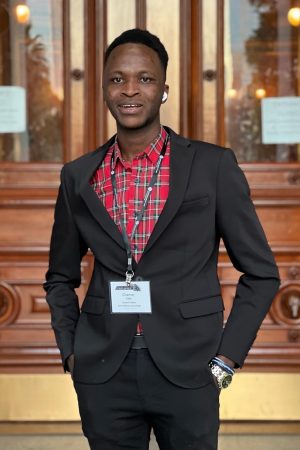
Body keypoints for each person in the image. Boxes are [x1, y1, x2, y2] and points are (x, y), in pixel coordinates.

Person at [44, 28, 280, 450]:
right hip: (103, 370)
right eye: (117, 79)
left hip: (190, 368)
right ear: (103, 88)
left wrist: (225, 359)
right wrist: (71, 351)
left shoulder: (213, 166)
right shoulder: (78, 176)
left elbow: (261, 273)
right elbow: (60, 277)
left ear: (164, 89)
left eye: (145, 79)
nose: (130, 89)